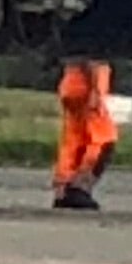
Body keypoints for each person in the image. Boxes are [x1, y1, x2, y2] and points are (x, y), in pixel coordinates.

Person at [52, 60, 120, 210]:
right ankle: (80, 186)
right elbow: (93, 56)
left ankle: (62, 188)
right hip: (86, 85)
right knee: (104, 140)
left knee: (74, 140)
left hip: (71, 82)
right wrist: (95, 89)